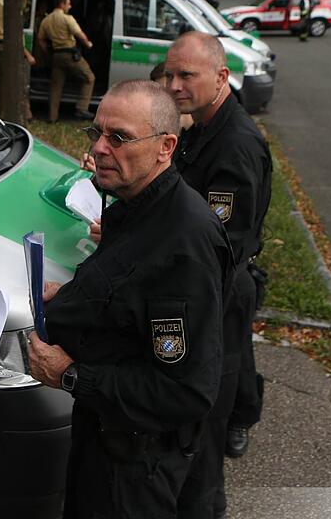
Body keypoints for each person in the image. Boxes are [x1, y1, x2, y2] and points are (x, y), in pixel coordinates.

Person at [28, 80, 232, 519]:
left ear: (165, 147)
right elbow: (130, 294)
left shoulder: (183, 243)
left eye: (118, 138)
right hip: (101, 438)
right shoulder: (134, 204)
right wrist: (74, 298)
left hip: (134, 466)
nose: (100, 149)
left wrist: (70, 377)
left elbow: (185, 390)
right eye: (97, 133)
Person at [161, 32, 272, 519]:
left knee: (203, 434)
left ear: (222, 77)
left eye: (187, 75)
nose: (174, 85)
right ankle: (240, 417)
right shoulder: (202, 123)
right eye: (169, 74)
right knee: (228, 382)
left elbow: (216, 242)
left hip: (219, 294)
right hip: (214, 293)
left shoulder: (235, 144)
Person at [36, 0, 95, 122]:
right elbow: (79, 34)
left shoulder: (46, 20)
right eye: (68, 3)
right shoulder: (67, 19)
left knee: (56, 87)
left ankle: (52, 118)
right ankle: (82, 108)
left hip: (56, 55)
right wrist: (88, 44)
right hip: (69, 54)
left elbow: (40, 39)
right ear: (62, 4)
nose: (70, 6)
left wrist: (48, 53)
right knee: (89, 78)